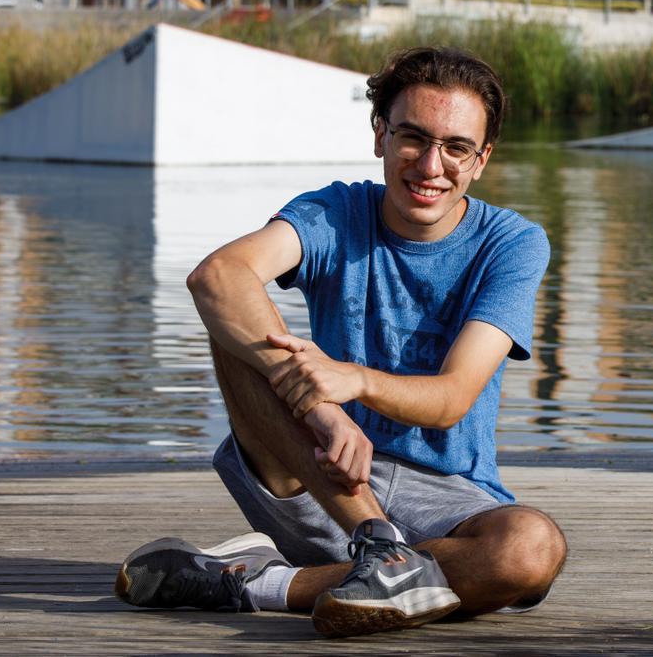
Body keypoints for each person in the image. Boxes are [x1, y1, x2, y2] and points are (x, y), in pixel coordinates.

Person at [113, 46, 567, 638]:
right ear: (380, 134)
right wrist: (324, 413)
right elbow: (216, 276)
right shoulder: (334, 212)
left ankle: (256, 584)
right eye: (412, 137)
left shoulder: (511, 243)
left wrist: (354, 379)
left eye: (455, 147)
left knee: (528, 552)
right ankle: (376, 549)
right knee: (236, 320)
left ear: (480, 160)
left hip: (447, 500)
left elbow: (453, 396)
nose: (430, 165)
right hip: (320, 473)